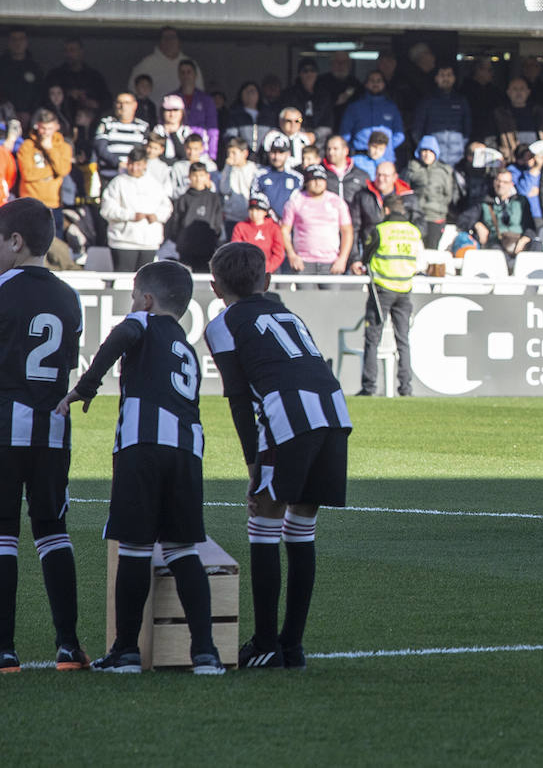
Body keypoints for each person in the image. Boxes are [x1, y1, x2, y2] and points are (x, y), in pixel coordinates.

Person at [56, 261, 224, 675]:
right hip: (187, 451)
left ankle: (126, 652)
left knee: (133, 548)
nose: (132, 305)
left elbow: (125, 333)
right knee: (183, 550)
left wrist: (85, 387)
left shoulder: (141, 323)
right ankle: (205, 653)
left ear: (147, 301)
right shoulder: (185, 345)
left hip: (142, 445)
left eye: (134, 297)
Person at [205, 241, 352, 670]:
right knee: (302, 527)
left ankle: (267, 643)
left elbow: (236, 397)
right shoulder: (288, 312)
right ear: (266, 281)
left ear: (215, 287)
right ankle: (292, 647)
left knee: (264, 523)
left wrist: (253, 464)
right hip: (332, 411)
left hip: (288, 417)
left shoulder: (222, 324)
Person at [0, 198, 88, 673]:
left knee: (2, 536)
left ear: (15, 241)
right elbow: (67, 364)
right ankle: (68, 645)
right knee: (53, 532)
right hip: (52, 430)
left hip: (3, 426)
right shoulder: (68, 295)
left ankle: (4, 650)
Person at [358, 194, 422, 398]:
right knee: (403, 340)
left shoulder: (381, 230)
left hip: (382, 291)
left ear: (386, 210)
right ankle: (406, 388)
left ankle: (369, 387)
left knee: (372, 339)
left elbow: (366, 256)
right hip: (404, 290)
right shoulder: (413, 231)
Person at [100, 148, 172, 272]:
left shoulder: (154, 184)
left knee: (146, 281)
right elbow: (106, 209)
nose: (134, 168)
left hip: (149, 242)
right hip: (123, 241)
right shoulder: (117, 183)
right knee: (122, 281)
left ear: (144, 164)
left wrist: (157, 216)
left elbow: (167, 207)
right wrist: (131, 215)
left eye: (138, 164)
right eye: (131, 164)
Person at [281, 164, 353, 280]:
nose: (317, 183)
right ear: (306, 182)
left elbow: (347, 231)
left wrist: (342, 259)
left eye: (321, 179)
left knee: (333, 298)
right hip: (303, 263)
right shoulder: (295, 201)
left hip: (331, 263)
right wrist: (292, 255)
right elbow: (284, 230)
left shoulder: (336, 201)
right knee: (304, 298)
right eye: (313, 179)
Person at [15, 109, 72, 233]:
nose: (45, 133)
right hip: (31, 203)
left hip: (54, 205)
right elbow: (28, 174)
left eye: (49, 129)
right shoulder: (27, 146)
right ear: (37, 126)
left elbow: (64, 170)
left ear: (57, 127)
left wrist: (50, 149)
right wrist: (54, 171)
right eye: (43, 128)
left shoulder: (63, 147)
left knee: (56, 246)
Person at [166, 163, 224, 272]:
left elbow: (217, 223)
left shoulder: (213, 198)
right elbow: (176, 224)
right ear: (189, 177)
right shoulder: (183, 199)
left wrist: (213, 239)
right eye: (194, 176)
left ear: (207, 177)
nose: (198, 179)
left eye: (201, 175)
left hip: (207, 249)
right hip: (186, 250)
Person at [411, 64, 471, 168]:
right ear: (436, 78)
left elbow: (467, 129)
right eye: (442, 75)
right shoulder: (427, 101)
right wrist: (427, 150)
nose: (446, 78)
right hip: (433, 159)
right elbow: (417, 130)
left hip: (457, 159)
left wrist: (461, 146)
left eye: (449, 75)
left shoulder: (461, 101)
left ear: (454, 78)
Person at [339, 71, 405, 163]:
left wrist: (385, 147)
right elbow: (345, 134)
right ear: (366, 84)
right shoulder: (354, 107)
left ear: (384, 84)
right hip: (360, 158)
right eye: (372, 80)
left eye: (379, 80)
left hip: (385, 159)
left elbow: (400, 134)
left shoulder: (391, 107)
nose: (375, 83)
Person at [473, 168, 536, 263]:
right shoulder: (485, 201)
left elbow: (530, 225)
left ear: (511, 184)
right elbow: (465, 219)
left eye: (505, 182)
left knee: (536, 246)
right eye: (498, 181)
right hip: (496, 242)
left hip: (518, 241)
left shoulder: (521, 201)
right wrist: (477, 224)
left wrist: (525, 238)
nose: (500, 185)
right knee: (496, 254)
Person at [405, 135, 453, 248]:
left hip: (436, 217)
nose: (427, 154)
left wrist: (440, 208)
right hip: (416, 216)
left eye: (430, 151)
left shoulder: (444, 171)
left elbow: (448, 195)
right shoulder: (412, 168)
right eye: (424, 151)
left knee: (432, 250)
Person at [92, 92, 149, 188]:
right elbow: (101, 149)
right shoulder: (106, 124)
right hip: (109, 177)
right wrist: (118, 163)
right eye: (119, 103)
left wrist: (132, 165)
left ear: (135, 105)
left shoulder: (143, 126)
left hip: (134, 177)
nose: (123, 106)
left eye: (127, 103)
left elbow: (145, 151)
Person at [128, 27, 201, 97]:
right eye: (165, 38)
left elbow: (200, 90)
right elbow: (132, 91)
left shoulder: (190, 65)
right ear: (159, 41)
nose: (169, 41)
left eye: (172, 37)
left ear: (179, 41)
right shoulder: (145, 65)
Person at [169, 59, 218, 159]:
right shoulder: (172, 98)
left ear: (195, 75)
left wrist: (212, 155)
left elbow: (213, 130)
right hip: (175, 149)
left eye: (189, 72)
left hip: (200, 150)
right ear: (178, 75)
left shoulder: (206, 100)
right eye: (182, 72)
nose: (185, 75)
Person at [232, 193, 285, 274]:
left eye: (258, 210)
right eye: (251, 209)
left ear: (265, 212)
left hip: (269, 272)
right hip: (246, 272)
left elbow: (279, 253)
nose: (254, 213)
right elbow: (236, 250)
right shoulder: (240, 227)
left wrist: (266, 268)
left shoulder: (274, 228)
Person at [220, 82, 271, 163]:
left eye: (253, 91)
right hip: (242, 159)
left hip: (264, 160)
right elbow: (231, 136)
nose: (250, 94)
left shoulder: (267, 115)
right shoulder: (234, 114)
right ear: (241, 94)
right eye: (247, 91)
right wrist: (246, 152)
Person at [254, 140, 304, 220]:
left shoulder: (297, 178)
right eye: (273, 152)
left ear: (288, 154)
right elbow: (255, 199)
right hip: (267, 223)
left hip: (290, 224)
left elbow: (300, 203)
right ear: (269, 153)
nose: (276, 157)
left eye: (281, 153)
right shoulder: (260, 175)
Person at [281, 58, 333, 134]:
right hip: (296, 133)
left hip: (319, 136)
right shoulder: (289, 94)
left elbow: (327, 121)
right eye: (305, 71)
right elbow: (288, 117)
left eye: (312, 70)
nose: (309, 74)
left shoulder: (324, 96)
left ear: (316, 73)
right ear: (299, 74)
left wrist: (314, 135)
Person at [0, 29, 43, 120]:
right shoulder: (2, 66)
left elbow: (40, 93)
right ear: (9, 42)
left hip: (30, 118)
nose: (17, 43)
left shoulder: (35, 68)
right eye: (14, 39)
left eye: (21, 39)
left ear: (26, 42)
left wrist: (30, 112)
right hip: (4, 116)